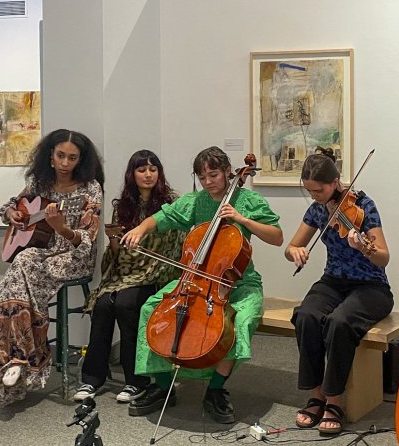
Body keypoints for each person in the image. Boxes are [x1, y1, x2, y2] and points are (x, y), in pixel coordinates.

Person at [120, 146, 283, 423]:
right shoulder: (193, 202)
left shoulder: (248, 200)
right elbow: (160, 218)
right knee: (151, 307)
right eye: (202, 176)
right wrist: (139, 229)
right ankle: (161, 386)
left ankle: (216, 390)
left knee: (238, 321)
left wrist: (241, 219)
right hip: (195, 280)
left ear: (227, 172)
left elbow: (276, 236)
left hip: (237, 282)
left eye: (214, 175)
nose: (208, 182)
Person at [0, 129, 104, 406]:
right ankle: (21, 358)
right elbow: (7, 206)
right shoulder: (39, 184)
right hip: (41, 253)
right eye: (60, 156)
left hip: (74, 256)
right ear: (50, 156)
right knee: (22, 262)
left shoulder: (91, 188)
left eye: (72, 158)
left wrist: (62, 229)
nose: (65, 163)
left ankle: (19, 358)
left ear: (81, 160)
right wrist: (12, 214)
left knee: (19, 272)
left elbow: (87, 239)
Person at [284, 149, 393, 435]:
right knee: (306, 315)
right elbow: (291, 246)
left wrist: (364, 248)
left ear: (335, 182)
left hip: (371, 286)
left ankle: (334, 401)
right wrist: (295, 251)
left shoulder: (363, 205)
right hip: (334, 280)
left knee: (339, 322)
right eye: (309, 191)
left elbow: (383, 257)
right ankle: (315, 395)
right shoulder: (318, 209)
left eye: (319, 190)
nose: (315, 196)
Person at [73, 150, 185, 403]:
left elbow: (174, 247)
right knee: (102, 305)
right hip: (126, 273)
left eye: (153, 169)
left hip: (155, 274)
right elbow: (118, 255)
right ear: (132, 174)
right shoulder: (122, 206)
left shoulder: (171, 202)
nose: (148, 175)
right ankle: (92, 379)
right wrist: (115, 242)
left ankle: (136, 380)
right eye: (141, 169)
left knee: (125, 304)